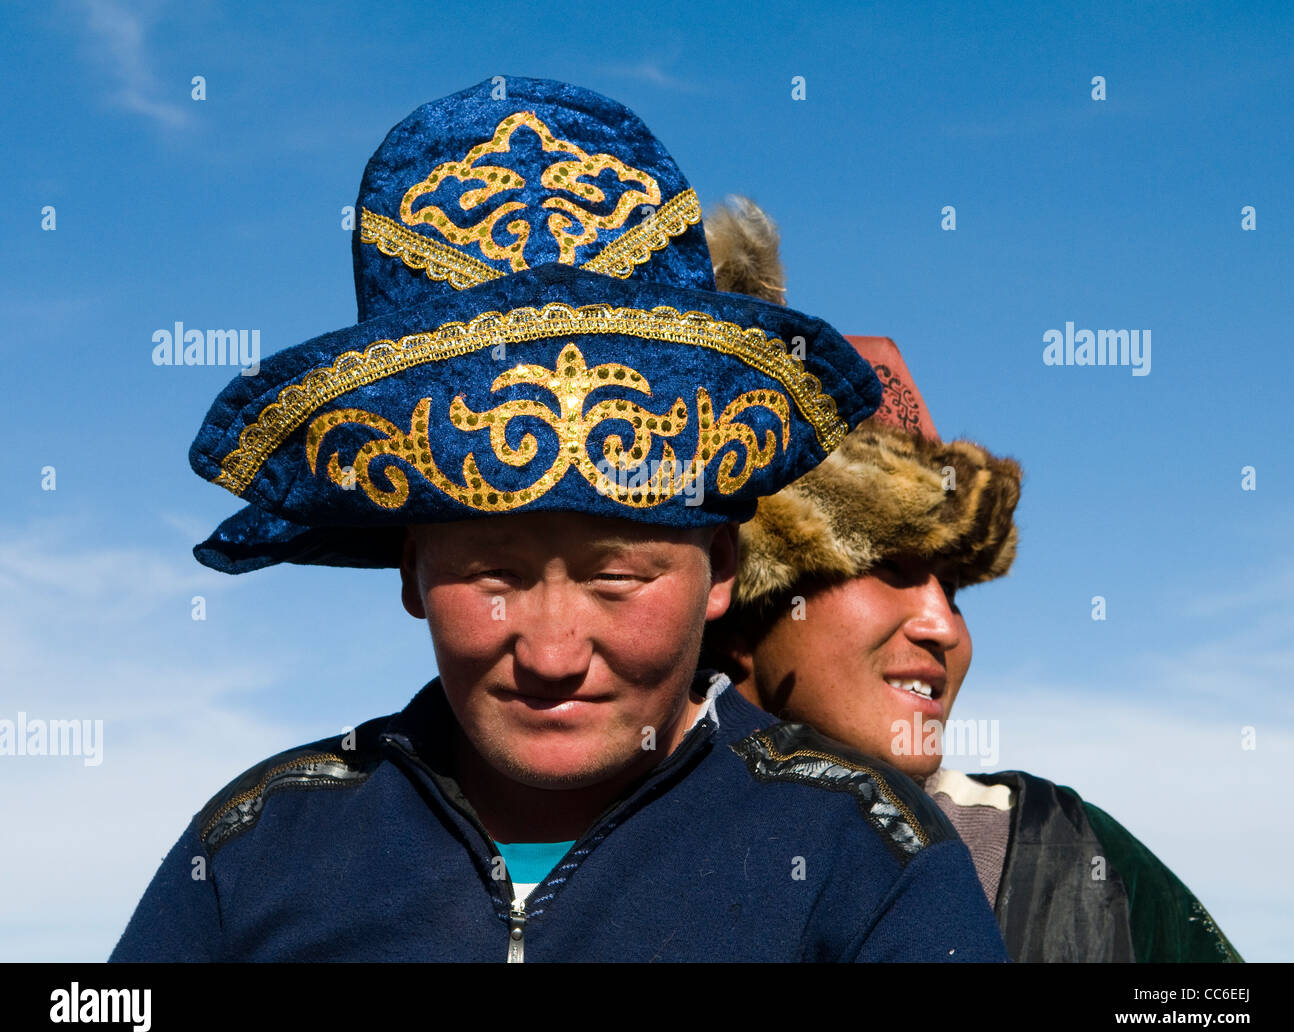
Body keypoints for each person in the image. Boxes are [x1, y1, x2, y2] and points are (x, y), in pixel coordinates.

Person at [109, 79, 1009, 963]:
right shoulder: (256, 851)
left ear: (721, 566)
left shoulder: (866, 861)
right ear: (411, 571)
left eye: (617, 577)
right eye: (493, 575)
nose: (550, 653)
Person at [702, 196, 1242, 963]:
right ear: (745, 612)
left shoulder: (1073, 861)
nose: (944, 626)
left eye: (953, 588)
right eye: (890, 568)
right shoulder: (594, 852)